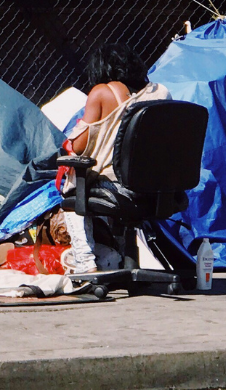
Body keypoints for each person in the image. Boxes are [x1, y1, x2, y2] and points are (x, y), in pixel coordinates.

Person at [61, 44, 169, 273]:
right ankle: (121, 259)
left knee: (73, 194)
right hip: (160, 189)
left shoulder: (102, 92)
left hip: (118, 186)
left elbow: (79, 146)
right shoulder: (161, 92)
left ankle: (86, 264)